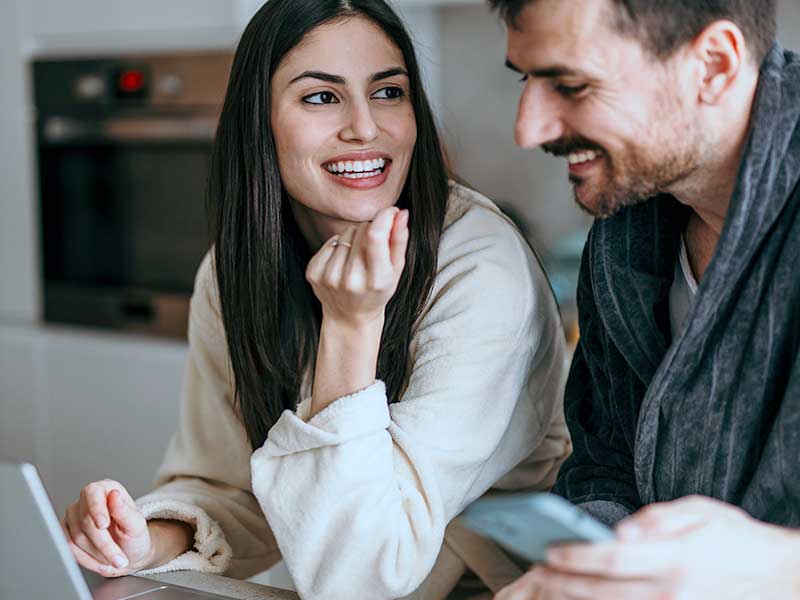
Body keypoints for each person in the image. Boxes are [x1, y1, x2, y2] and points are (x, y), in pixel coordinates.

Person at [60, 1, 571, 599]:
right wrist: (146, 539)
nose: (364, 126)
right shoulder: (235, 273)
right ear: (260, 121)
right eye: (321, 97)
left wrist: (351, 327)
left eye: (388, 92)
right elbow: (232, 489)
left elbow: (361, 579)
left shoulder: (479, 266)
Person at [484, 0, 800, 598]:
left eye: (570, 85)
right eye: (527, 79)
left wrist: (777, 567)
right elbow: (606, 463)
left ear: (712, 65)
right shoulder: (622, 226)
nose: (529, 129)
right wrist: (580, 572)